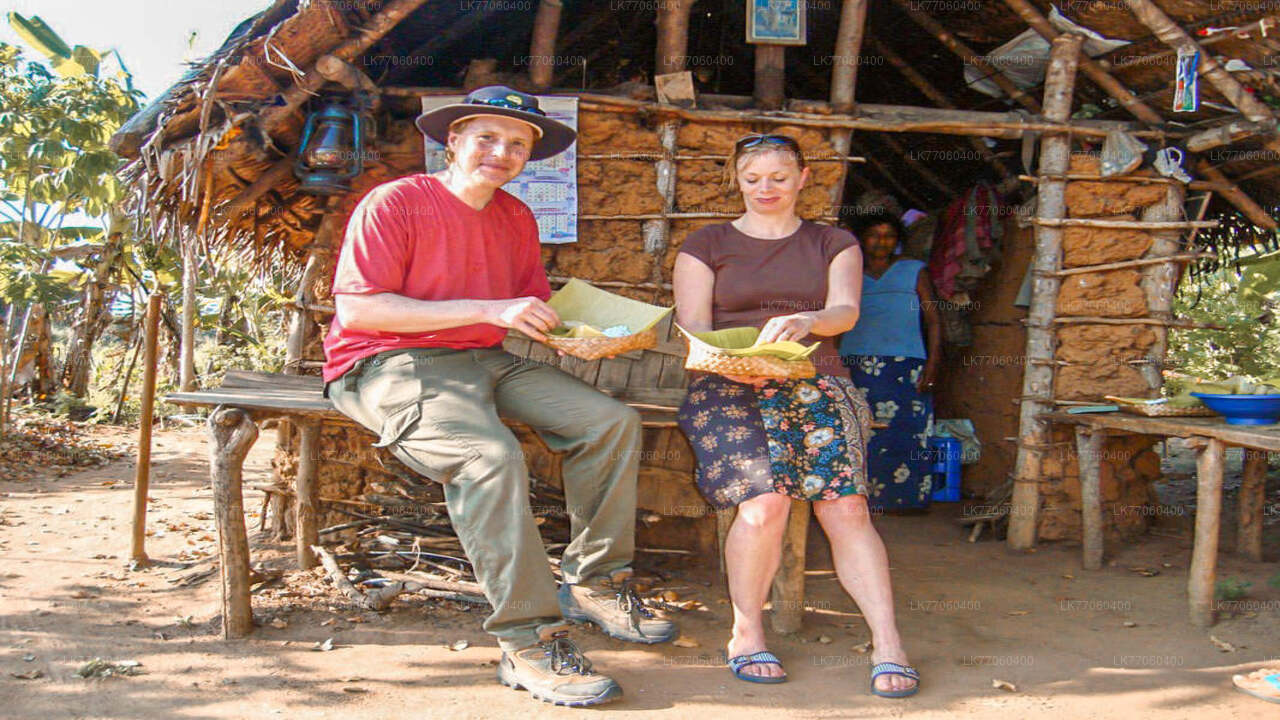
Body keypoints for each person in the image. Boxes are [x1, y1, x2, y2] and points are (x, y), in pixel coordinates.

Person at [322, 85, 676, 709]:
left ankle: (594, 583)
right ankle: (529, 640)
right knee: (489, 455)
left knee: (610, 422)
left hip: (488, 357)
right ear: (452, 141)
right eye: (486, 136)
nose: (502, 152)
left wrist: (583, 336)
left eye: (518, 144)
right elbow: (360, 307)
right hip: (384, 362)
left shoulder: (516, 217)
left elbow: (528, 311)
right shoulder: (396, 202)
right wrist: (493, 309)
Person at [673, 133, 919, 697]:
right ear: (737, 179)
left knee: (847, 506)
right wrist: (740, 365)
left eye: (779, 178)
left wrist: (809, 321)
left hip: (817, 376)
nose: (765, 188)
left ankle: (888, 643)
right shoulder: (704, 244)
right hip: (727, 382)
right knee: (765, 503)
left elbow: (845, 311)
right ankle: (747, 633)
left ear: (803, 179)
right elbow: (695, 327)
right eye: (753, 177)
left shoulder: (834, 242)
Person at [838, 210, 943, 510]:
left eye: (889, 236)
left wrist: (933, 365)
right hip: (855, 364)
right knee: (859, 431)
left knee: (906, 434)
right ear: (861, 239)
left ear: (898, 240)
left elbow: (934, 321)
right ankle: (859, 503)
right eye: (874, 235)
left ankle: (906, 502)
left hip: (906, 365)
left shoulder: (914, 270)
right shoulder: (848, 272)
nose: (881, 242)